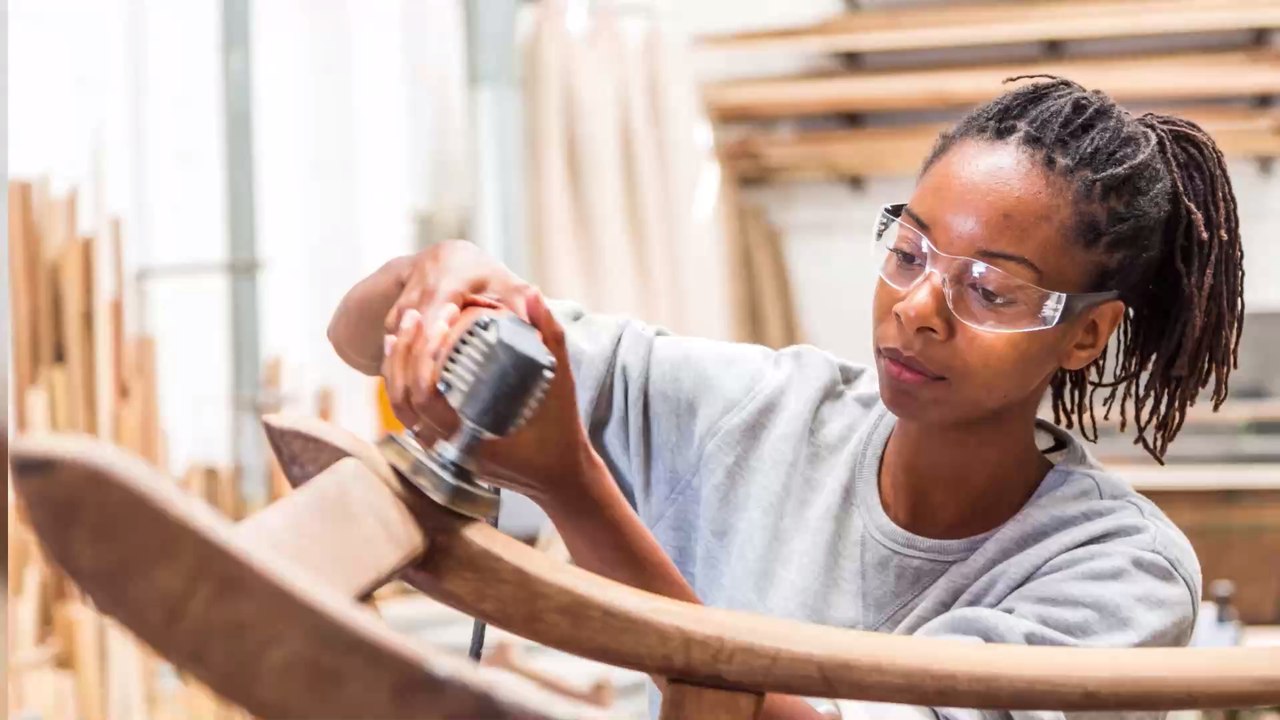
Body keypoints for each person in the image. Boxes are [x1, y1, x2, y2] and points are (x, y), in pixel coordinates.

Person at [327, 77, 1245, 719]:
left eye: (991, 291)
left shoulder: (1115, 572)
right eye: (909, 253)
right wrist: (446, 279)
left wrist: (571, 486)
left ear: (1086, 333)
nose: (920, 309)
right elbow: (355, 334)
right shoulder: (755, 412)